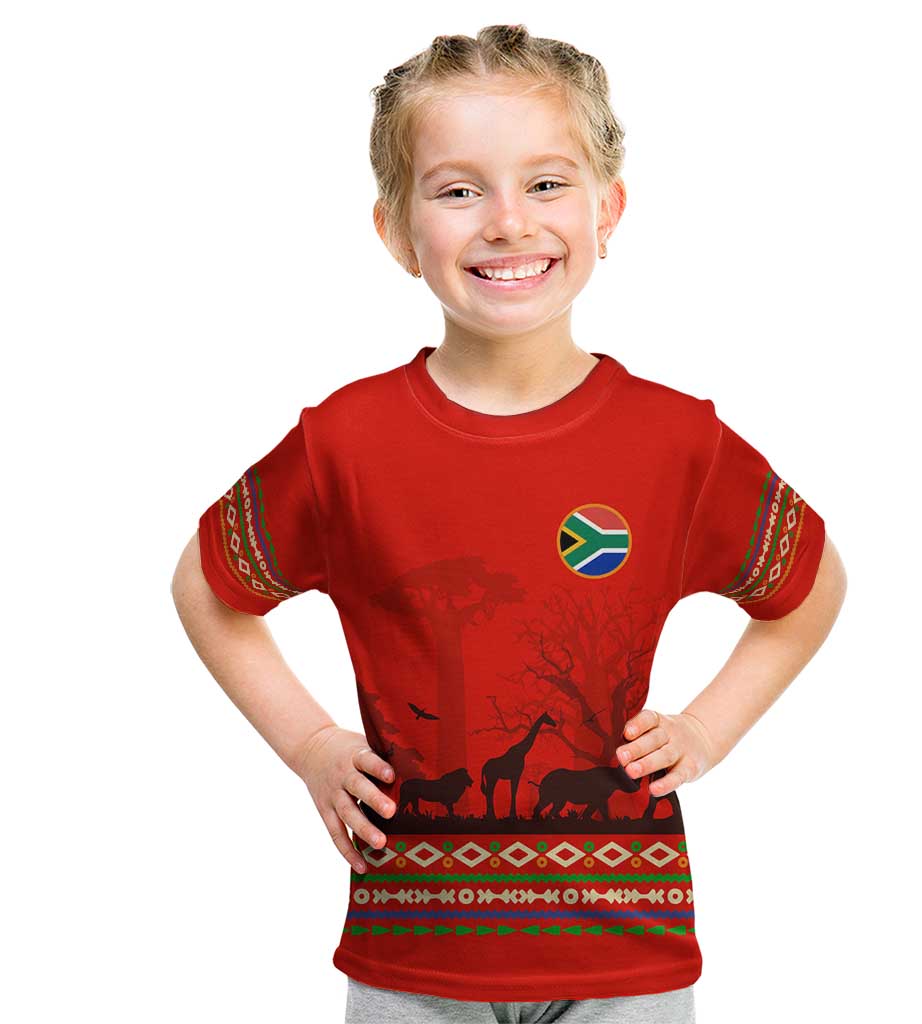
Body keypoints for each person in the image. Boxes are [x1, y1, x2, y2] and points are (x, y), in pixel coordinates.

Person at [172, 23, 847, 1024]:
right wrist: (310, 744)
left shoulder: (678, 442)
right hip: (412, 959)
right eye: (458, 191)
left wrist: (706, 729)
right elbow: (208, 586)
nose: (507, 222)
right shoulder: (344, 441)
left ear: (607, 210)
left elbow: (808, 587)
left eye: (546, 183)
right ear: (396, 232)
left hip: (626, 956)